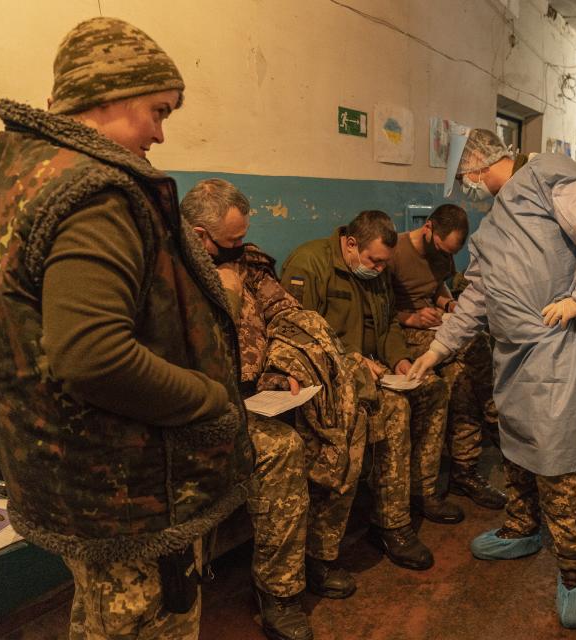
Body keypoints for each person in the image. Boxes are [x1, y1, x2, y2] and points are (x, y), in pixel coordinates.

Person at [0, 18, 252, 639]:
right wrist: (210, 400)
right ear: (107, 95)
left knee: (102, 615)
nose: (159, 132)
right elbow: (93, 355)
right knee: (145, 620)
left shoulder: (22, 170)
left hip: (66, 464)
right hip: (122, 486)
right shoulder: (95, 192)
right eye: (158, 111)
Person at [409, 128, 576, 629]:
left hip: (555, 346)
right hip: (514, 354)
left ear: (479, 166)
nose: (466, 187)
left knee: (556, 460)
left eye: (464, 177)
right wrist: (441, 346)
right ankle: (522, 528)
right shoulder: (492, 228)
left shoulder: (547, 176)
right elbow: (478, 293)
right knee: (517, 446)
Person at [182, 179, 370, 640]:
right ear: (200, 236)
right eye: (233, 240)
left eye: (245, 236)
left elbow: (290, 316)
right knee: (282, 450)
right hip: (206, 409)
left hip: (264, 392)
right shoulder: (172, 276)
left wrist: (282, 368)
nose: (242, 247)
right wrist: (224, 293)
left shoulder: (249, 266)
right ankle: (279, 594)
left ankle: (319, 556)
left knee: (347, 415)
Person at [280, 210, 460, 571]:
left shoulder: (377, 272)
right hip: (327, 373)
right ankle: (392, 524)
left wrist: (400, 362)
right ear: (350, 244)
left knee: (433, 387)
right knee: (394, 409)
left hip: (372, 369)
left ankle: (420, 491)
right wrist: (355, 359)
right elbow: (297, 335)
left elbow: (389, 322)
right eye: (374, 261)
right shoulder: (311, 264)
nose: (379, 270)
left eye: (384, 264)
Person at [387, 204, 506, 509]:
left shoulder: (442, 254)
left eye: (450, 251)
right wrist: (410, 317)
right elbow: (379, 311)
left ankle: (464, 471)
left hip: (436, 324)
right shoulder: (396, 253)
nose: (445, 255)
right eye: (441, 247)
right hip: (405, 331)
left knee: (462, 381)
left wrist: (450, 305)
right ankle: (500, 425)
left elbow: (438, 284)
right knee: (476, 342)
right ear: (428, 228)